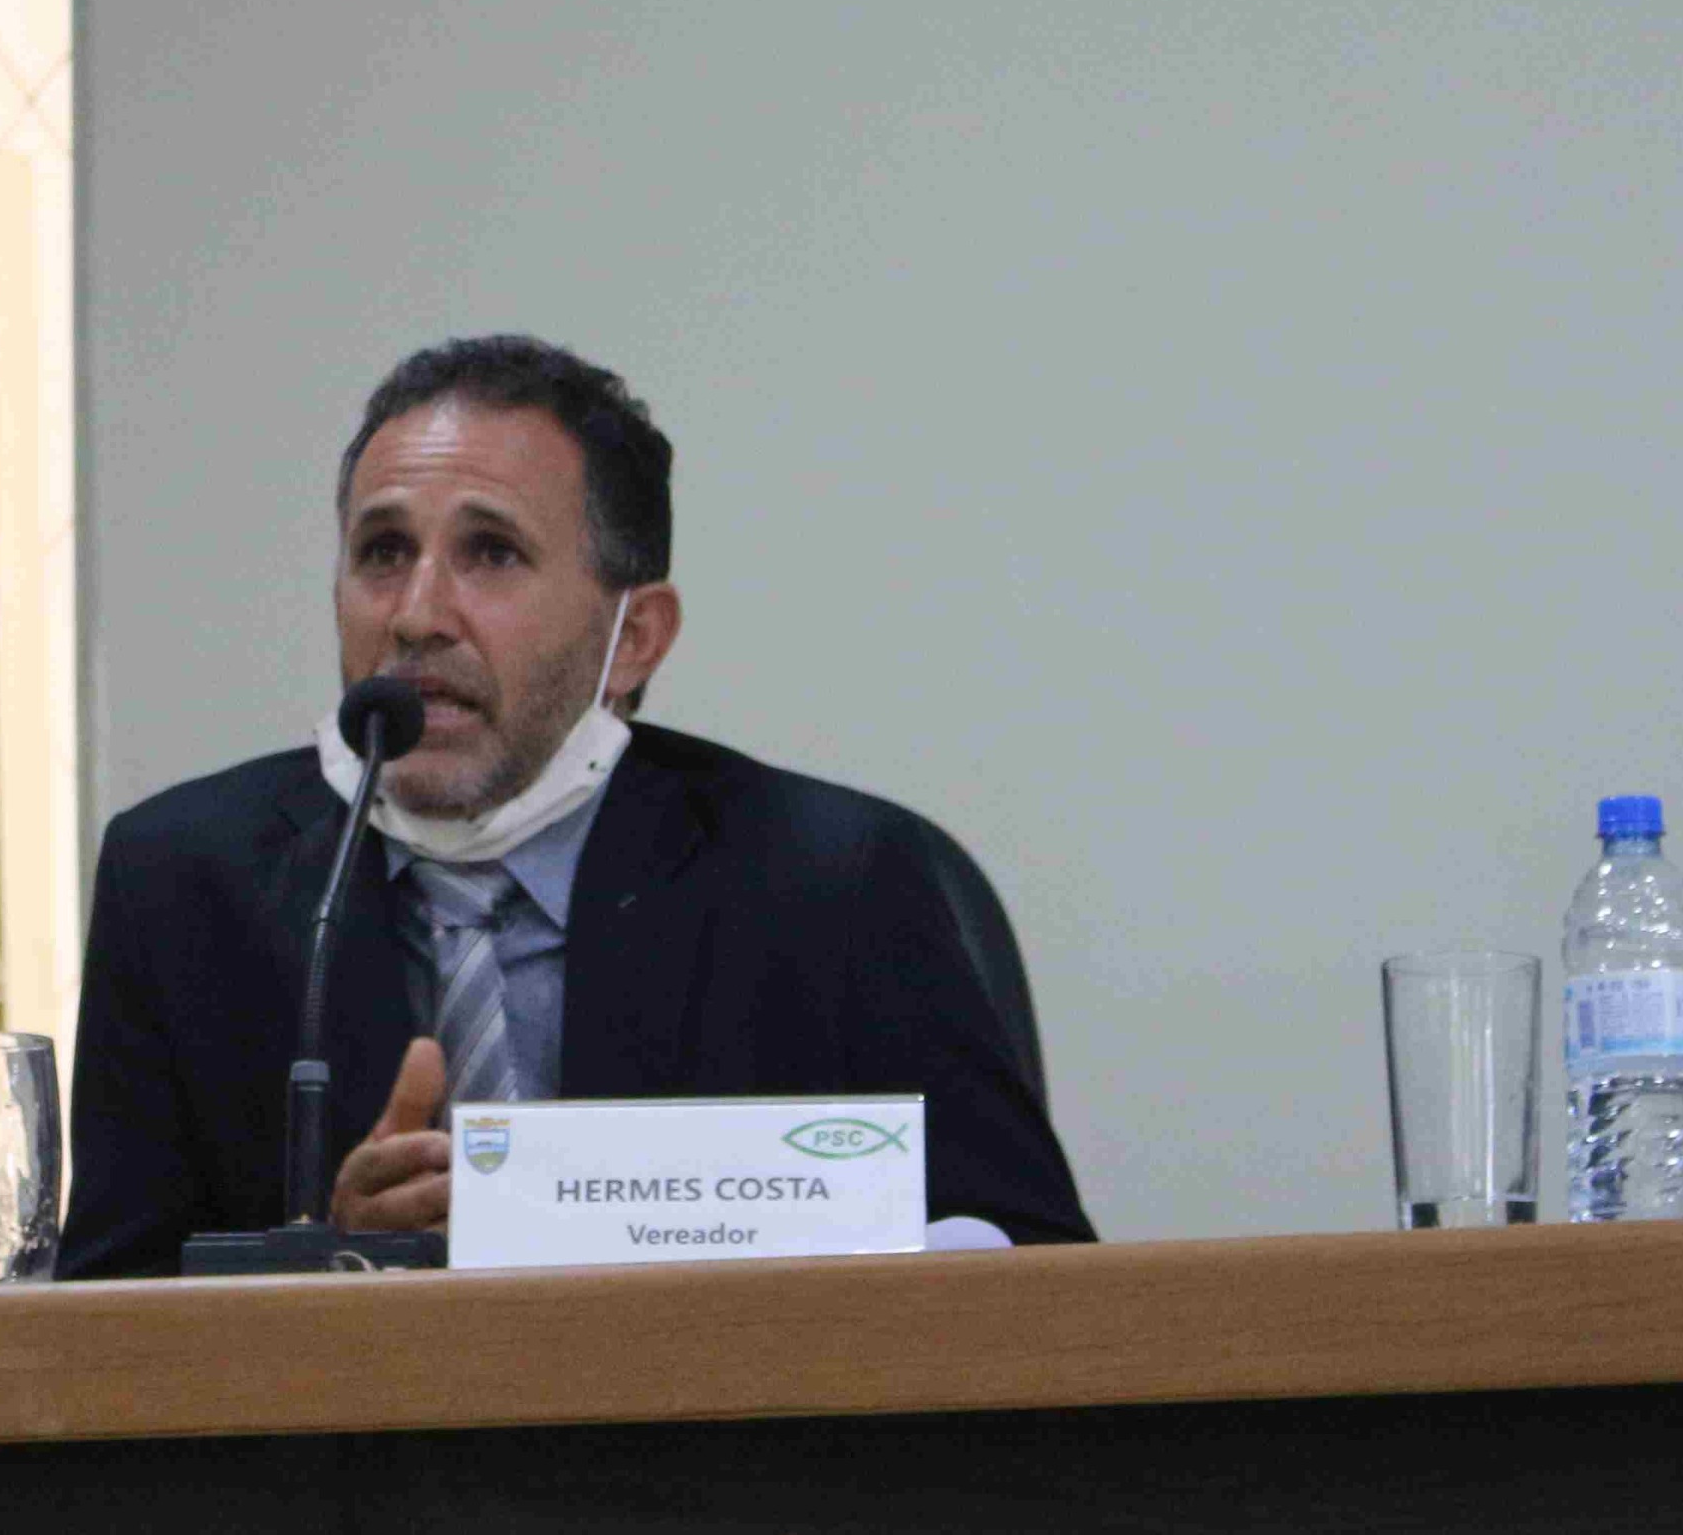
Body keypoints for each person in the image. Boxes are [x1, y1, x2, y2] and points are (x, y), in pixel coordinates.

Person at [58, 335, 1094, 1278]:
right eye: (382, 552)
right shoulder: (182, 883)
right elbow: (102, 1325)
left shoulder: (835, 881)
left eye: (490, 553)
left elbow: (1038, 1286)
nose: (416, 614)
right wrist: (331, 1261)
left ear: (632, 639)